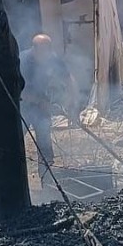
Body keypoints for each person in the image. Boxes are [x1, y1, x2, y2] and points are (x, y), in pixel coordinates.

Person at [19, 32, 72, 189]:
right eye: (45, 49)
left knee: (44, 142)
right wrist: (38, 101)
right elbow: (18, 90)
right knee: (16, 141)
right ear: (35, 49)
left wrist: (71, 103)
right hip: (22, 107)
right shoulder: (23, 61)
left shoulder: (52, 58)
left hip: (42, 107)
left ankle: (47, 180)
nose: (48, 53)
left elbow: (68, 79)